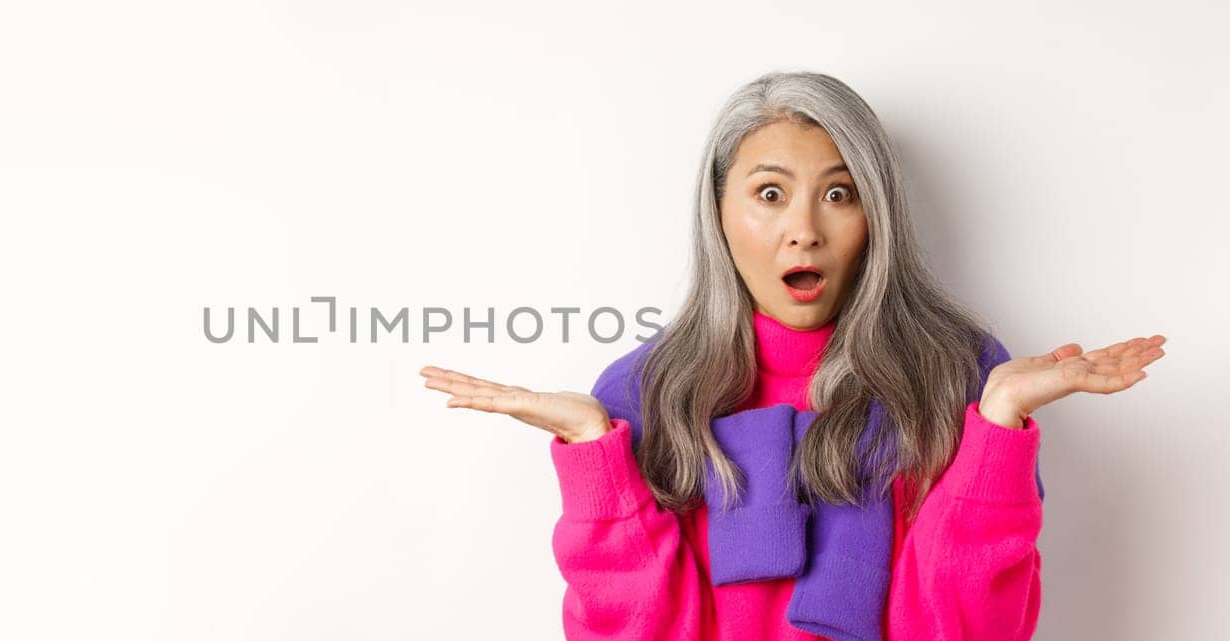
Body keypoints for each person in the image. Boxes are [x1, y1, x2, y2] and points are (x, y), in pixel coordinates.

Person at [418, 70, 1166, 641]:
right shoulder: (642, 392)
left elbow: (964, 628)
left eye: (839, 194)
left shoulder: (959, 374)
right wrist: (592, 456)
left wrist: (997, 425)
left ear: (877, 216)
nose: (804, 229)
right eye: (770, 194)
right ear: (719, 211)